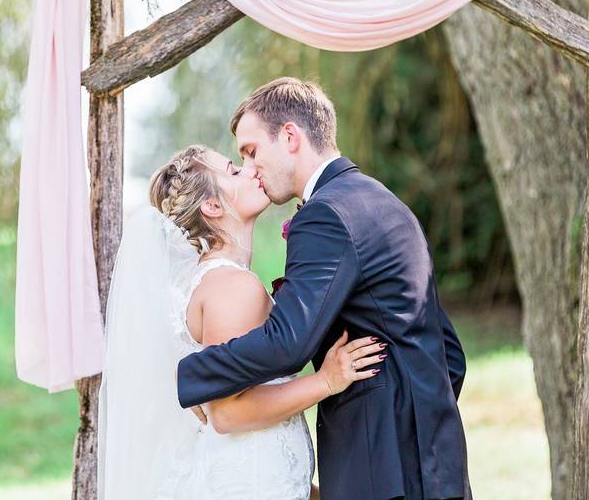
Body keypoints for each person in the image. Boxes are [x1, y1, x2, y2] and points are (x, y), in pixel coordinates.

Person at [176, 77, 470, 500]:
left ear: (290, 137)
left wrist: (192, 373)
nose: (251, 167)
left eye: (252, 151)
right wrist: (419, 432)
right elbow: (449, 354)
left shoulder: (326, 214)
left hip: (381, 477)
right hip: (435, 468)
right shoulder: (382, 200)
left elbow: (290, 343)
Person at [96, 143, 384, 499]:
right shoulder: (230, 286)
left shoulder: (215, 281)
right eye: (234, 170)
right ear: (213, 206)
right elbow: (227, 413)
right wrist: (326, 381)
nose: (250, 170)